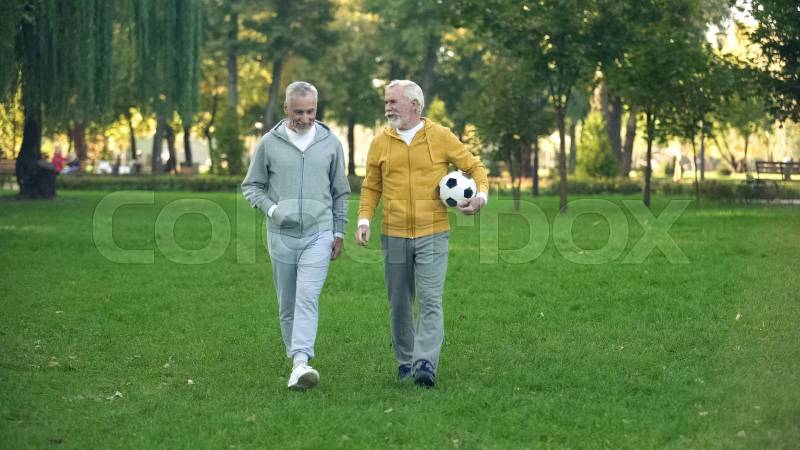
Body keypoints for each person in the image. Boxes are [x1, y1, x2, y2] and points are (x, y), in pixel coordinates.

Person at [355, 80, 488, 387]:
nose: (388, 107)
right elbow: (371, 187)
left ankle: (425, 361)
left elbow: (475, 167)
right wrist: (364, 220)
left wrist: (480, 196)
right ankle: (406, 361)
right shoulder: (380, 143)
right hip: (394, 234)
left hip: (433, 232)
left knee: (430, 299)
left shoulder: (440, 136)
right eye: (386, 102)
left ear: (414, 104)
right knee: (400, 304)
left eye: (393, 101)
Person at [242, 81, 350, 390]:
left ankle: (302, 361)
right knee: (287, 304)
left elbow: (341, 191)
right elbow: (251, 186)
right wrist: (274, 211)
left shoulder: (330, 143)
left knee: (307, 296)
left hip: (319, 232)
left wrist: (339, 230)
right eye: (298, 112)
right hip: (281, 236)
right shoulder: (269, 143)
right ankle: (296, 363)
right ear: (286, 108)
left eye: (311, 111)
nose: (305, 118)